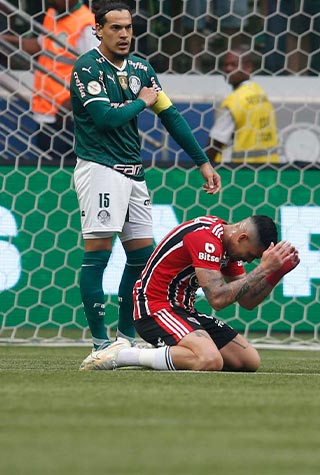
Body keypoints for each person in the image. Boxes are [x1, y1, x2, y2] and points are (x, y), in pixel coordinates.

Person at [69, 1, 222, 366]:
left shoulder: (141, 68)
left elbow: (170, 115)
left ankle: (123, 339)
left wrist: (202, 161)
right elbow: (105, 119)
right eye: (116, 28)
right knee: (99, 255)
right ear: (98, 31)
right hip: (100, 168)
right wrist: (141, 102)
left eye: (129, 27)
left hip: (134, 173)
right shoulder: (86, 68)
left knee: (141, 258)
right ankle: (97, 341)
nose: (124, 34)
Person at [79, 215, 300, 371]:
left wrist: (275, 274)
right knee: (209, 360)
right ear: (242, 238)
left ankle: (166, 352)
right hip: (155, 308)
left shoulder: (229, 247)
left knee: (248, 361)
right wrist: (262, 269)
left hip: (182, 311)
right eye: (250, 255)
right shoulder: (206, 239)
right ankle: (123, 355)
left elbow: (247, 301)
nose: (248, 261)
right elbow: (218, 298)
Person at [1, 0, 98, 161]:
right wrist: (6, 40)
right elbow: (40, 45)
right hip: (47, 109)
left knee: (70, 171)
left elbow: (98, 71)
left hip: (70, 116)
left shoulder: (87, 26)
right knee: (50, 167)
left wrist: (72, 101)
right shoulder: (52, 15)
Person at [205, 47, 280, 164]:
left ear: (248, 67)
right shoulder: (260, 94)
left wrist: (205, 168)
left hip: (240, 172)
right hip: (268, 168)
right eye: (225, 65)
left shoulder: (235, 101)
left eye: (233, 65)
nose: (228, 69)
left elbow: (216, 141)